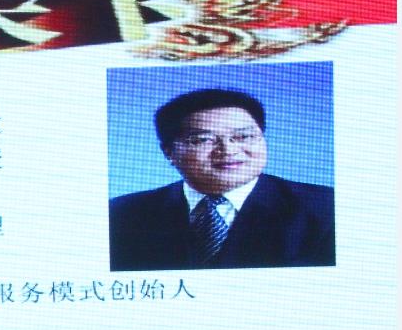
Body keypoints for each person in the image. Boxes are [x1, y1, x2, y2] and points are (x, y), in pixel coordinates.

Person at [108, 88, 334, 271]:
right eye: (204, 140)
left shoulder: (326, 208)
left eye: (244, 136)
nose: (228, 150)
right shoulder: (121, 214)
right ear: (169, 152)